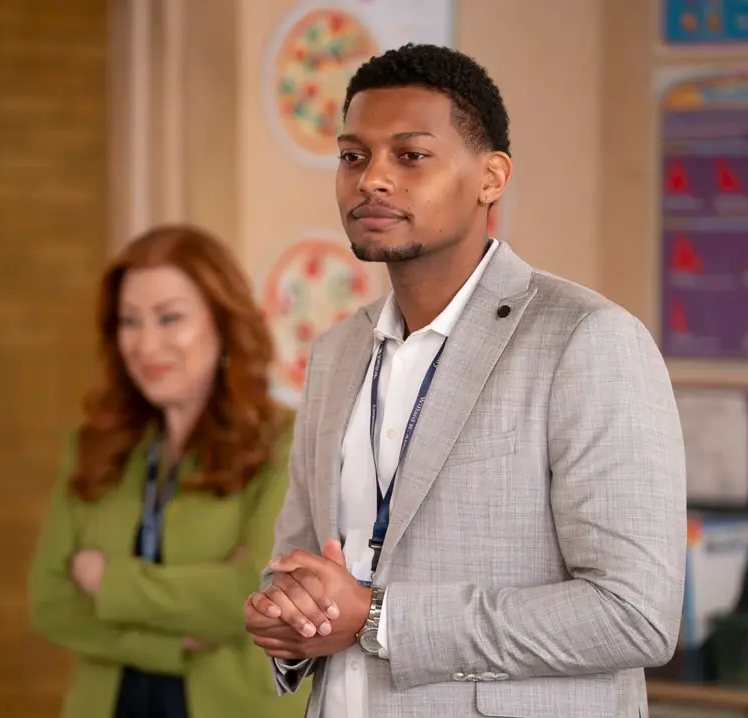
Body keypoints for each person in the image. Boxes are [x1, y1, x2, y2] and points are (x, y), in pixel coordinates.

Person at [244, 43, 687, 718]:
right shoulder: (337, 353)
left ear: (491, 177)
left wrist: (381, 619)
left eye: (410, 155)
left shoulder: (586, 340)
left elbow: (635, 614)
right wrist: (287, 617)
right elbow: (298, 563)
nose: (372, 179)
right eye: (353, 156)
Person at [28, 225, 309, 718]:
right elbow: (50, 604)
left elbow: (258, 594)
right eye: (130, 321)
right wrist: (174, 640)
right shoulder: (94, 444)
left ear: (222, 323)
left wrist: (106, 581)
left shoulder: (284, 444)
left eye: (170, 318)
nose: (145, 343)